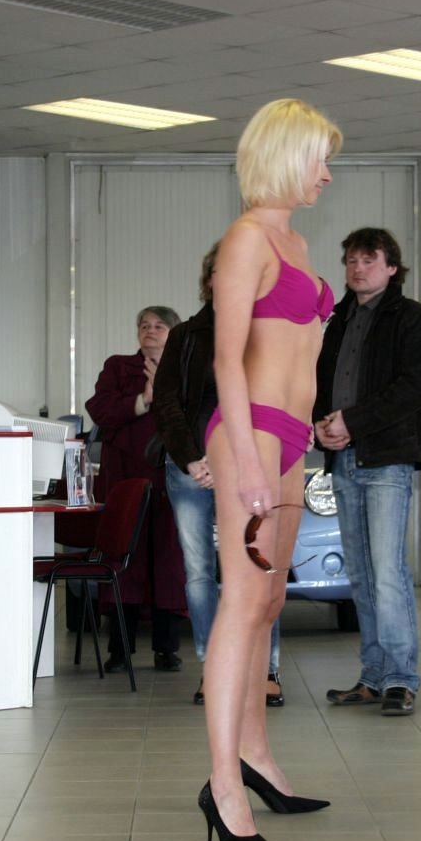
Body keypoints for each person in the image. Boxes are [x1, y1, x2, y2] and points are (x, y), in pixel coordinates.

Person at [199, 99, 341, 841]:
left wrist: (306, 437)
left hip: (291, 436)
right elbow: (227, 358)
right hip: (248, 431)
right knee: (243, 599)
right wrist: (250, 462)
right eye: (320, 160)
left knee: (270, 600)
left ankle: (255, 755)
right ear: (285, 156)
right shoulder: (247, 239)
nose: (327, 174)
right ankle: (223, 785)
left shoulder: (299, 242)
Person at [153, 242, 285, 708]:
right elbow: (166, 402)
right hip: (191, 469)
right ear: (209, 281)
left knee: (256, 567)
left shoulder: (263, 333)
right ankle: (214, 669)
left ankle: (264, 669)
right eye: (219, 272)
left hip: (248, 468)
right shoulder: (184, 335)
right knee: (199, 573)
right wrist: (192, 458)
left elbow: (275, 401)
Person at [315, 228, 421, 718]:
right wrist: (321, 425)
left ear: (391, 267)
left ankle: (401, 678)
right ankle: (373, 675)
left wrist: (353, 421)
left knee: (387, 572)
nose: (357, 268)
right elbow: (322, 383)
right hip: (344, 457)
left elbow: (414, 387)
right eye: (351, 260)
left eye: (369, 260)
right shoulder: (338, 320)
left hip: (387, 457)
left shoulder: (411, 317)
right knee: (361, 575)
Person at [84, 306, 189, 674]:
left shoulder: (185, 368)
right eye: (144, 325)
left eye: (159, 325)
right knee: (123, 560)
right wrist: (143, 400)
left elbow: (199, 413)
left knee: (168, 561)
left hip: (171, 477)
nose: (150, 330)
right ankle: (119, 649)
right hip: (125, 478)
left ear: (173, 333)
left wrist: (165, 391)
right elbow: (100, 410)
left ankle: (167, 649)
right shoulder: (118, 367)